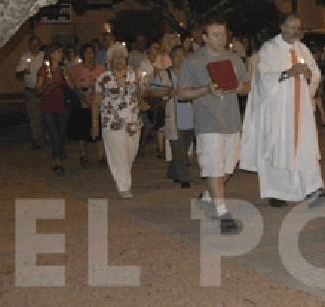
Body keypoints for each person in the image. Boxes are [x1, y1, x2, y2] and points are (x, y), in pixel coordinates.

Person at [241, 13, 325, 208]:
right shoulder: (269, 49)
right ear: (282, 27)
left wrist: (309, 74)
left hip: (301, 109)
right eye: (292, 27)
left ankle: (312, 189)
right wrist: (288, 73)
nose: (296, 31)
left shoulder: (302, 48)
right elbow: (262, 77)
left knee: (305, 146)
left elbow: (315, 74)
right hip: (278, 110)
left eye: (298, 28)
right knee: (278, 146)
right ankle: (277, 192)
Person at [179, 19, 250, 234]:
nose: (222, 38)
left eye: (224, 34)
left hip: (232, 122)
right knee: (214, 167)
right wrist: (206, 90)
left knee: (228, 168)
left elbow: (247, 87)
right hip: (207, 124)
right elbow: (182, 94)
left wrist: (239, 87)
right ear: (205, 37)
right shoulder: (192, 61)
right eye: (216, 34)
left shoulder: (234, 58)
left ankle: (208, 196)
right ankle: (223, 214)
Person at [92, 43, 145, 199]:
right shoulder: (103, 78)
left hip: (133, 122)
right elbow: (96, 101)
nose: (119, 60)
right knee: (119, 154)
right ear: (110, 61)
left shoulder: (134, 75)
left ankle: (123, 178)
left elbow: (140, 97)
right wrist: (94, 123)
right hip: (112, 123)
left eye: (122, 57)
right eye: (115, 58)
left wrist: (143, 88)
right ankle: (124, 187)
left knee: (129, 154)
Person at [152, 45, 194, 189]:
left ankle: (172, 171)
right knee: (178, 150)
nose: (180, 59)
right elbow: (152, 91)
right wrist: (167, 91)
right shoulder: (165, 75)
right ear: (171, 58)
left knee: (183, 148)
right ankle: (185, 178)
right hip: (174, 118)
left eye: (183, 55)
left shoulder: (191, 74)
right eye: (176, 56)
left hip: (190, 117)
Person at [38, 46, 76, 175]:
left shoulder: (64, 69)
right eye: (58, 52)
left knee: (61, 133)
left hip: (63, 105)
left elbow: (72, 86)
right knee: (54, 133)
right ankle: (57, 161)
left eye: (61, 52)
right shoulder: (45, 69)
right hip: (48, 105)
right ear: (51, 54)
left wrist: (65, 79)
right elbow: (38, 89)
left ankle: (59, 151)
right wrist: (48, 84)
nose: (61, 54)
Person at [71, 44, 106, 168]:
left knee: (100, 131)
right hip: (83, 103)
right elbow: (74, 86)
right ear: (83, 54)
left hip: (98, 103)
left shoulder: (101, 69)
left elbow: (105, 85)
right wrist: (83, 97)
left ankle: (101, 156)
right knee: (82, 130)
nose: (90, 55)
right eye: (87, 53)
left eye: (91, 52)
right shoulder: (77, 69)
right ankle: (83, 155)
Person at [15, 37, 48, 150]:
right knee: (34, 117)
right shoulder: (25, 57)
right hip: (30, 91)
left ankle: (45, 137)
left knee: (46, 115)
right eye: (32, 44)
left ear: (40, 44)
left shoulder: (44, 56)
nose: (35, 46)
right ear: (29, 45)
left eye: (37, 44)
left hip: (45, 90)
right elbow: (18, 75)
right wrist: (23, 72)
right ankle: (38, 140)